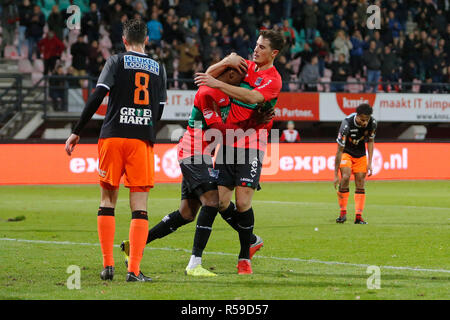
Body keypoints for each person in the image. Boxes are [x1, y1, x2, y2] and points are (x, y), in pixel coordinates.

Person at [120, 67, 271, 277]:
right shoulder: (207, 92)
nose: (243, 81)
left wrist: (257, 117)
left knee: (187, 213)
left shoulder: (227, 94)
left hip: (200, 153)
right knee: (212, 201)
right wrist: (253, 123)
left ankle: (134, 245)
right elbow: (219, 130)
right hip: (194, 153)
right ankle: (194, 263)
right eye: (239, 76)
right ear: (228, 74)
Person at [64, 19, 167, 282]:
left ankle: (108, 266)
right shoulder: (158, 68)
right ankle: (133, 270)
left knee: (107, 201)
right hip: (141, 140)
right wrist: (145, 125)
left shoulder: (116, 61)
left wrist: (77, 130)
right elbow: (160, 109)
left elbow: (97, 96)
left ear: (123, 40)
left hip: (112, 137)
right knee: (139, 206)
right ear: (146, 39)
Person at [194, 29, 284, 274]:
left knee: (243, 202)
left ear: (273, 53)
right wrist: (224, 62)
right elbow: (203, 78)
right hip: (229, 139)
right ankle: (252, 239)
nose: (255, 49)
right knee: (222, 203)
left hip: (253, 141)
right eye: (256, 45)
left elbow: (253, 96)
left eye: (262, 47)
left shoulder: (273, 79)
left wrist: (219, 83)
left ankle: (244, 258)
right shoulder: (244, 66)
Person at [333, 104, 377, 225]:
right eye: (362, 120)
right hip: (346, 153)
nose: (365, 122)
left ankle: (358, 217)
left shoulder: (372, 123)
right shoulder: (346, 125)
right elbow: (339, 151)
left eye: (367, 120)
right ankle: (342, 213)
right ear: (357, 116)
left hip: (361, 154)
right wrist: (336, 174)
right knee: (346, 176)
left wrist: (370, 162)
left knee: (360, 182)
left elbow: (371, 142)